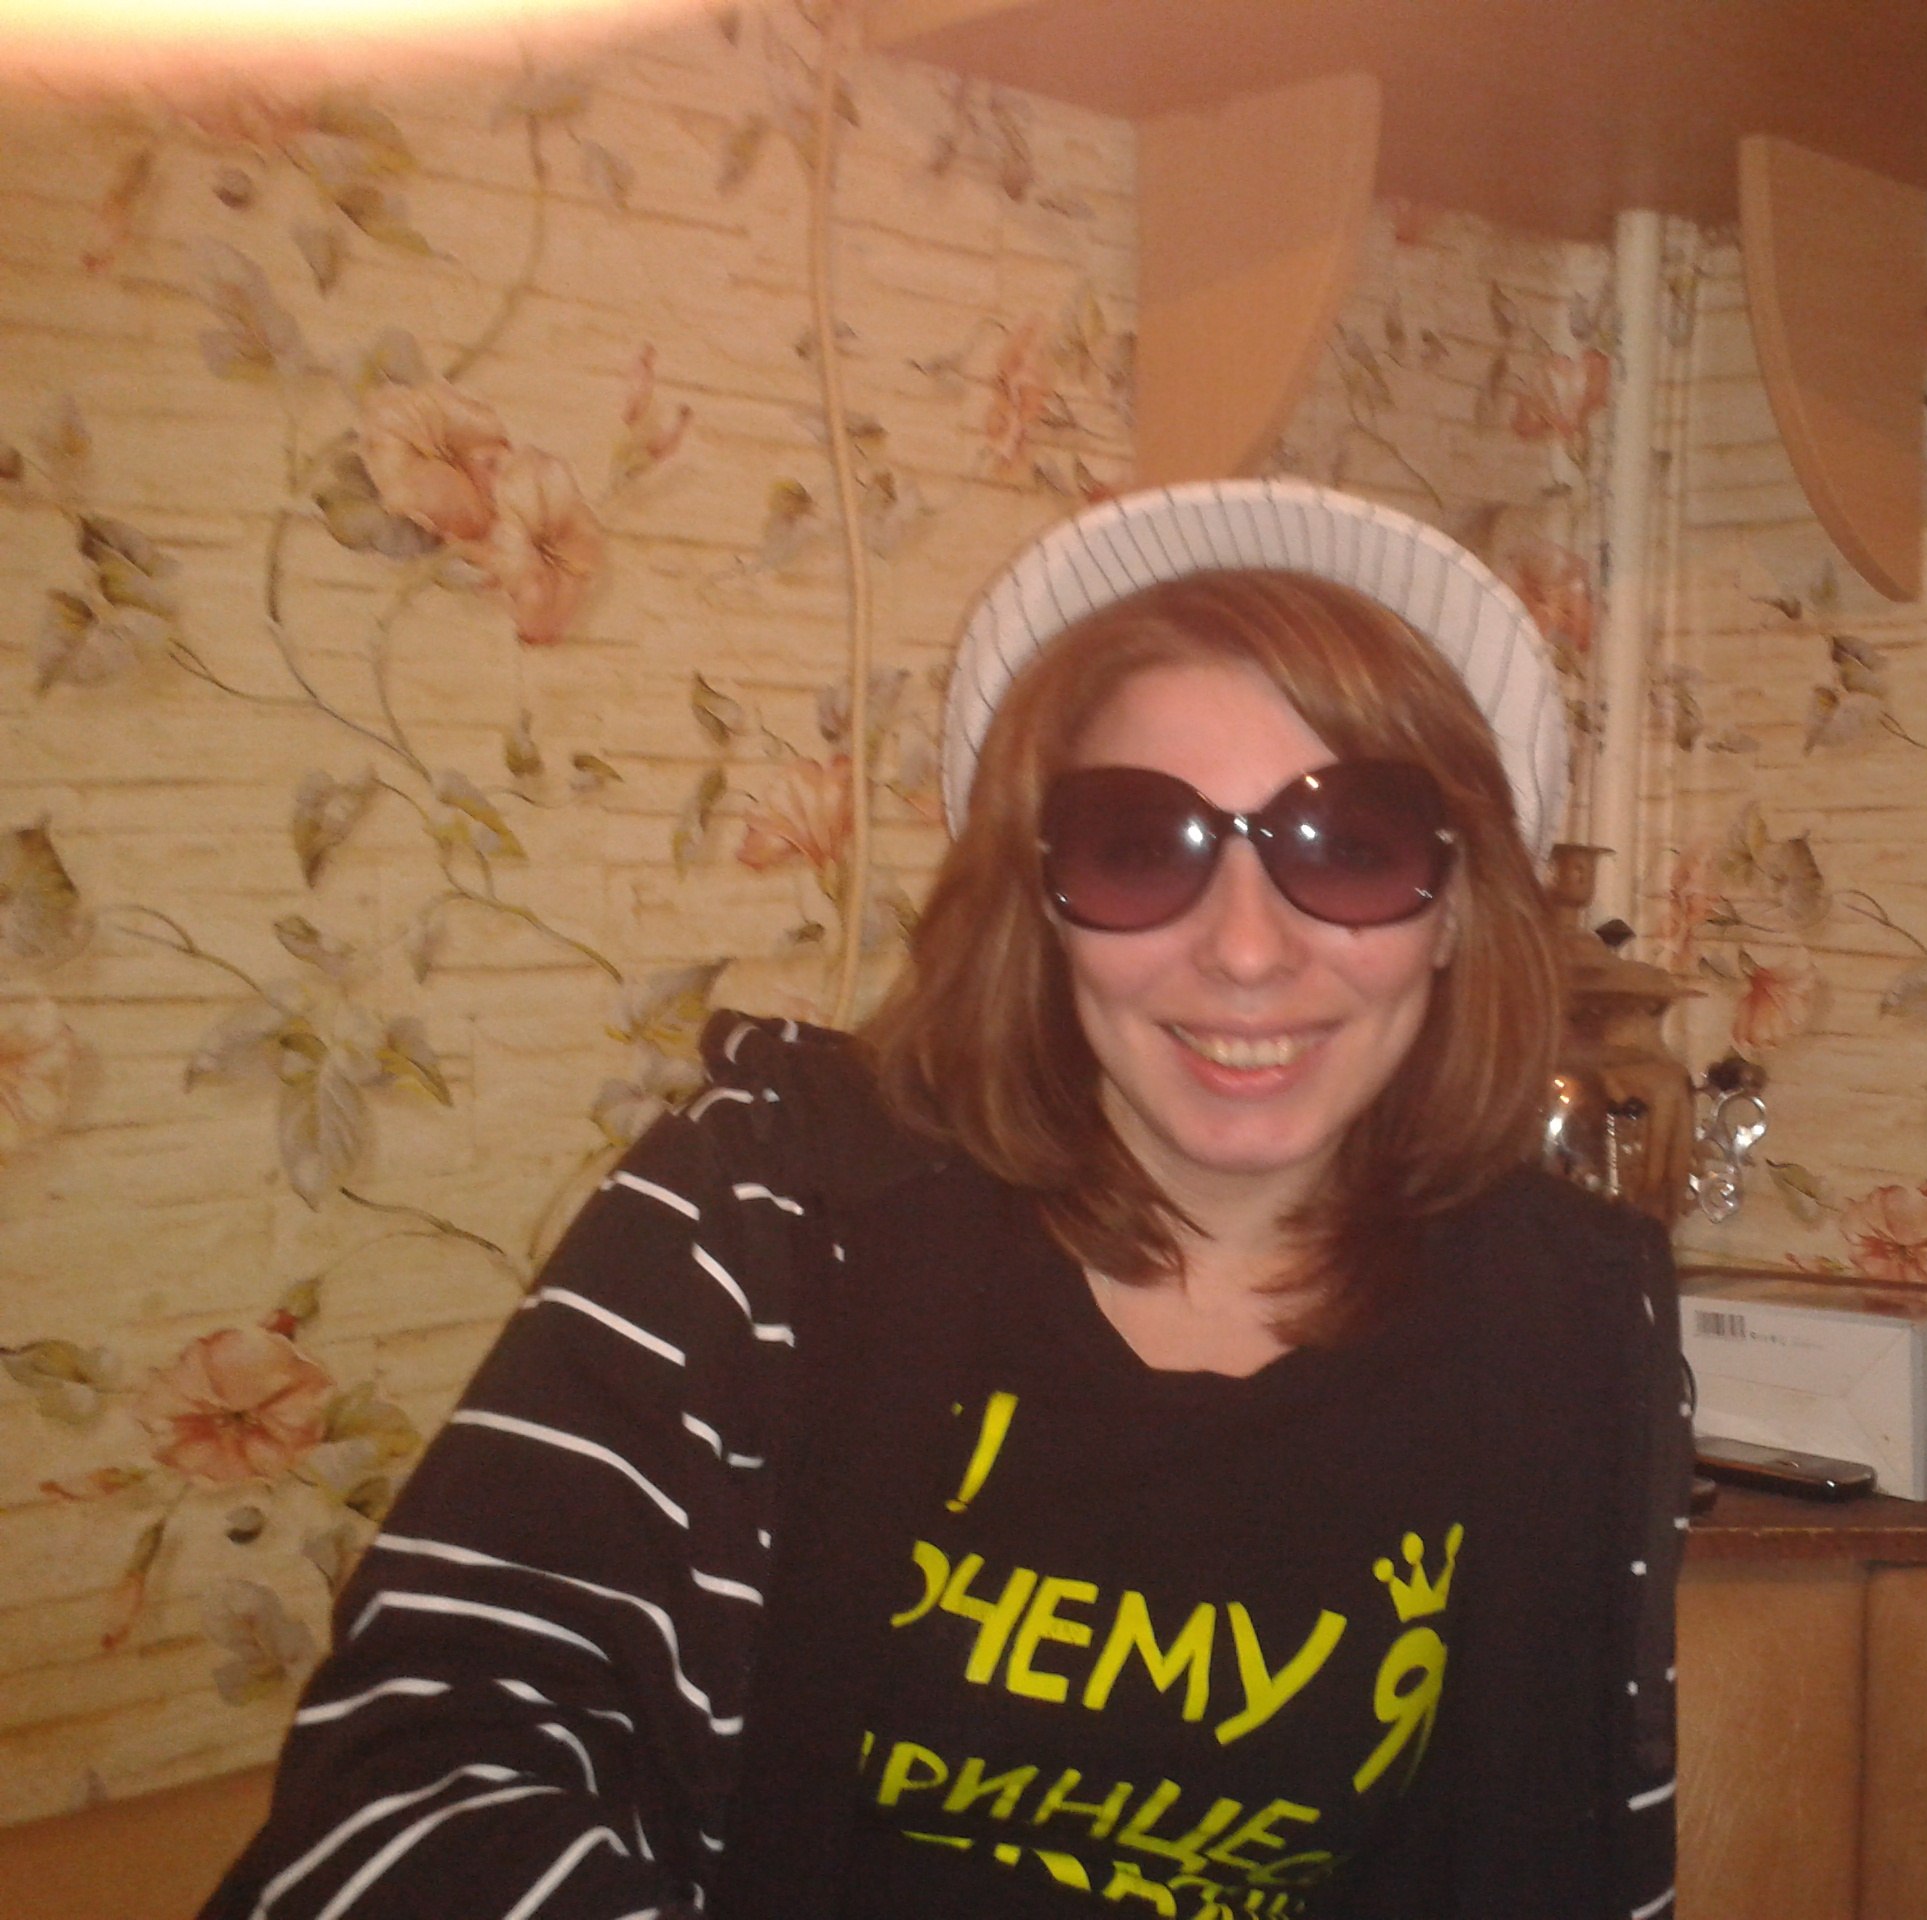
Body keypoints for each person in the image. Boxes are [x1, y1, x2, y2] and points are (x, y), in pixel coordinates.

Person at [204, 479, 1689, 1920]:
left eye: (1349, 848)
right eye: (1137, 847)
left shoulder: (1572, 1327)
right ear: (1037, 905)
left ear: (1456, 910)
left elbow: (1583, 1851)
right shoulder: (770, 1206)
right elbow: (412, 1780)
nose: (1247, 951)